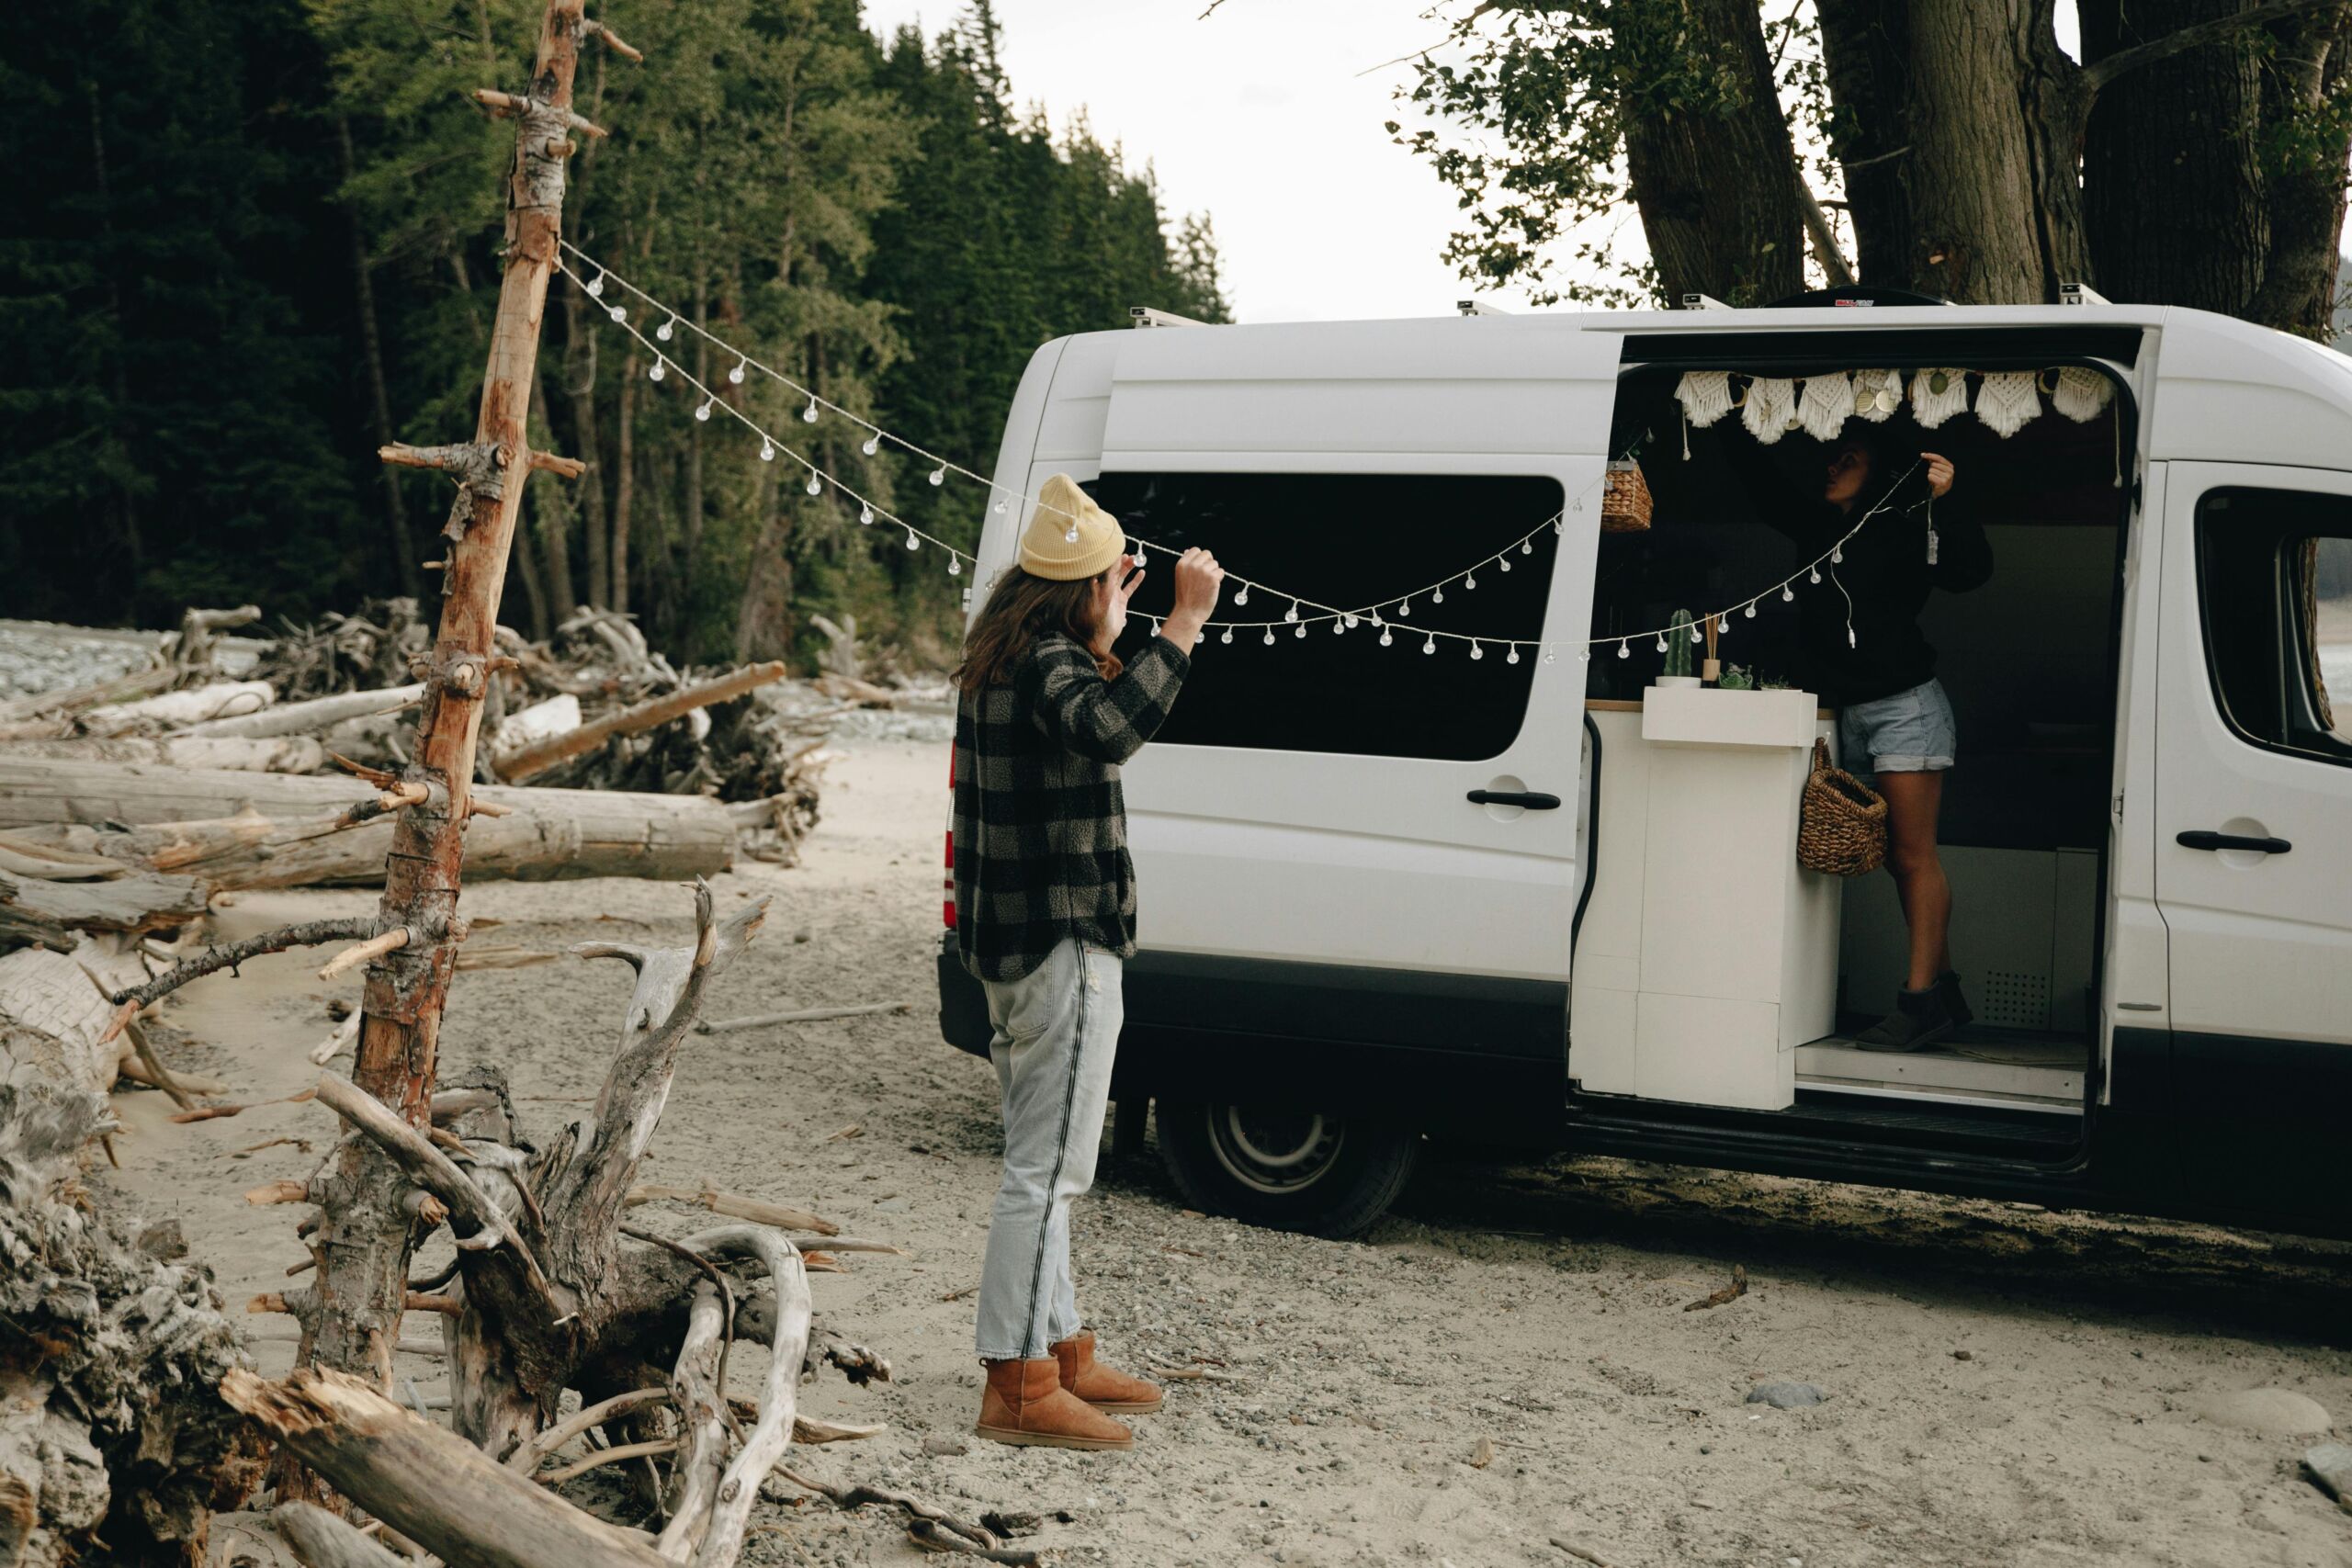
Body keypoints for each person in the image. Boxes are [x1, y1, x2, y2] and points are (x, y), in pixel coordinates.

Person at [948, 471, 1224, 1450]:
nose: (1129, 587)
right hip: (1060, 946)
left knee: (1049, 1161)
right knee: (1048, 1170)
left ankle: (1058, 1347)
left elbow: (1075, 726)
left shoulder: (1008, 654)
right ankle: (1017, 1389)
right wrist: (1181, 626)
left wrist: (1110, 639)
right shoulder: (1047, 663)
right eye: (1116, 577)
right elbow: (1114, 731)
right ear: (1081, 587)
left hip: (1010, 949)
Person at [1738, 428, 1989, 1051]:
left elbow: (1970, 571)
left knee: (1912, 857)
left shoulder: (1904, 529)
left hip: (1906, 708)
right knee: (1899, 862)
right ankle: (1943, 992)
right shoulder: (1820, 530)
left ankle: (1919, 1003)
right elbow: (1765, 492)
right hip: (1850, 713)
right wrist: (1723, 414)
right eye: (1832, 455)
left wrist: (1948, 496)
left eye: (1849, 458)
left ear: (1877, 472)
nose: (1832, 465)